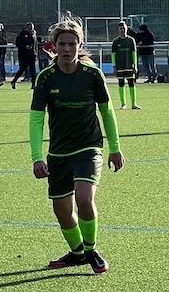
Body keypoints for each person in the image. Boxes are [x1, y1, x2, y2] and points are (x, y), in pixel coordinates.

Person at [30, 16, 123, 274]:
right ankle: (77, 252)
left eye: (72, 44)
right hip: (58, 152)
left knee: (84, 197)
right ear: (54, 45)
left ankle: (91, 250)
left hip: (88, 147)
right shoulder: (46, 78)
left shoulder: (92, 75)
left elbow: (107, 112)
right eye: (62, 44)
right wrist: (37, 157)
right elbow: (36, 119)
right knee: (62, 210)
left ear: (80, 45)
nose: (67, 49)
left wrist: (114, 147)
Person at [111, 20, 140, 109]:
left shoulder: (131, 40)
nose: (122, 30)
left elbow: (134, 53)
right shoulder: (115, 41)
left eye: (124, 28)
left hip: (129, 66)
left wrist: (135, 65)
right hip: (120, 66)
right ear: (118, 30)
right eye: (121, 29)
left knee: (131, 83)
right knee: (121, 83)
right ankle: (123, 104)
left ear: (126, 29)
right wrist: (114, 66)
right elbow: (113, 55)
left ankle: (134, 104)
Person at [11, 22, 39, 90]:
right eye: (30, 28)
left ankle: (33, 84)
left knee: (33, 69)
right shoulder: (21, 34)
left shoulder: (33, 34)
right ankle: (14, 81)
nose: (31, 29)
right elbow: (18, 44)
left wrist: (35, 51)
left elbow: (35, 43)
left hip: (32, 54)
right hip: (23, 55)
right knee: (22, 69)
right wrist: (25, 46)